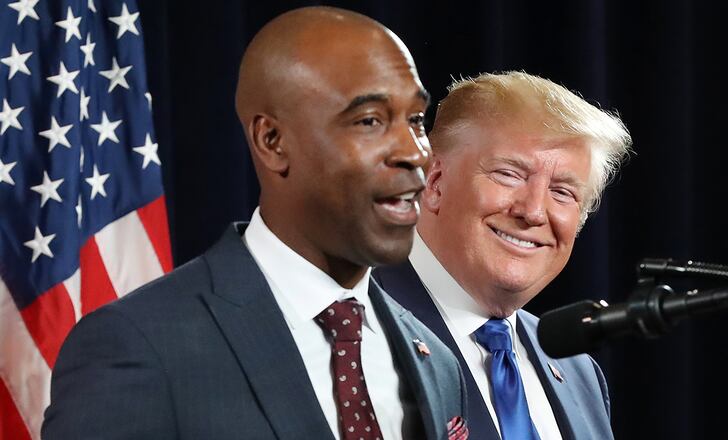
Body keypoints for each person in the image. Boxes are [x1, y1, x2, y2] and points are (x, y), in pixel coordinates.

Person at [42, 7, 468, 440]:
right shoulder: (138, 346)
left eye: (416, 120)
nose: (415, 152)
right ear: (272, 141)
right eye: (370, 121)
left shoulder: (436, 362)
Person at [374, 71, 632, 439]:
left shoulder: (579, 374)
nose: (534, 211)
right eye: (509, 174)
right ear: (434, 182)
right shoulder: (357, 325)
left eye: (562, 192)